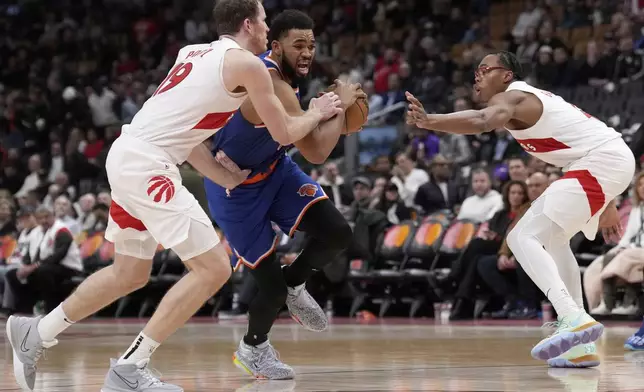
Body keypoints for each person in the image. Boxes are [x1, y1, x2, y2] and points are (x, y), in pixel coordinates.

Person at [5, 1, 343, 391]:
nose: (268, 30)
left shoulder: (191, 52)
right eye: (265, 21)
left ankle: (37, 332)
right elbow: (285, 133)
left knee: (128, 273)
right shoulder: (249, 66)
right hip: (149, 164)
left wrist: (219, 174)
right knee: (215, 268)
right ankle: (131, 368)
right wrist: (317, 111)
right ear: (248, 23)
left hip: (128, 153)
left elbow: (185, 130)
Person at [405, 51, 635, 368]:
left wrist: (430, 121)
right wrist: (606, 201)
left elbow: (482, 121)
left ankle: (572, 316)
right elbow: (582, 145)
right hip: (602, 162)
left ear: (507, 75)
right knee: (554, 240)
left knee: (520, 237)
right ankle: (581, 345)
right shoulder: (522, 104)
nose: (478, 76)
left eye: (485, 69)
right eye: (476, 71)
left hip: (601, 161)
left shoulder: (514, 97)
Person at [204, 10, 362, 379]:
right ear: (275, 46)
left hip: (274, 170)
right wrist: (338, 105)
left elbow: (308, 140)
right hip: (236, 189)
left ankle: (296, 283)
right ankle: (253, 348)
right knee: (269, 290)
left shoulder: (284, 78)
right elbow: (317, 151)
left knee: (338, 232)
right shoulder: (269, 80)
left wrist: (331, 110)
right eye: (298, 45)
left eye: (311, 44)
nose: (307, 52)